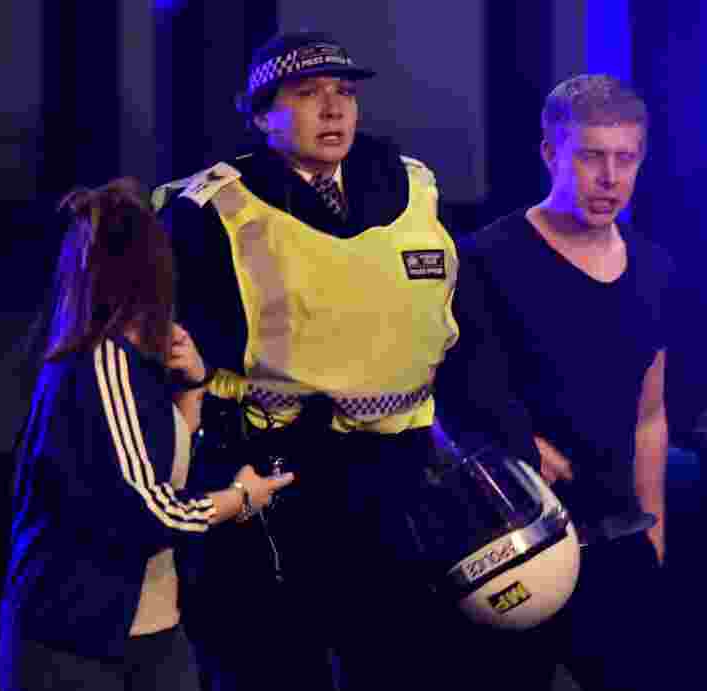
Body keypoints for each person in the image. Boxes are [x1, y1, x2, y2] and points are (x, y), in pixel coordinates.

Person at [154, 31, 468, 691]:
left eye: (345, 94)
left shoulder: (411, 186)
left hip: (395, 482)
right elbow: (170, 359)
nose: (334, 110)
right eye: (308, 95)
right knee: (267, 668)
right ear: (262, 114)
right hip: (273, 482)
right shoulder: (209, 209)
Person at [0, 177, 294, 691]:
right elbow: (149, 509)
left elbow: (168, 472)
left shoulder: (133, 363)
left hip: (150, 631)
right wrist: (240, 498)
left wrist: (191, 387)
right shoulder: (98, 361)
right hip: (77, 637)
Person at [436, 74, 674, 691]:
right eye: (591, 156)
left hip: (619, 539)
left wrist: (655, 532)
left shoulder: (651, 268)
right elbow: (447, 404)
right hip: (511, 544)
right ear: (550, 153)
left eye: (626, 159)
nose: (610, 177)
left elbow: (651, 416)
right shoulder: (487, 258)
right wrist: (517, 449)